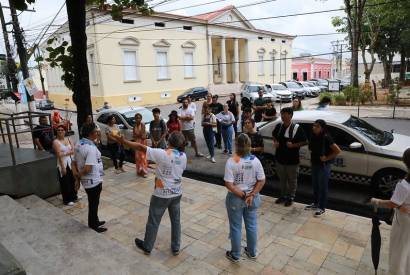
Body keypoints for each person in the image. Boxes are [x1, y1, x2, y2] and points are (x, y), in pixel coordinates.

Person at [116, 132, 187, 256]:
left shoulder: (163, 154)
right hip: (177, 193)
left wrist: (124, 142)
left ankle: (147, 246)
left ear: (169, 141)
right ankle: (176, 247)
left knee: (154, 221)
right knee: (176, 221)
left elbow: (140, 147)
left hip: (161, 194)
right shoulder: (183, 156)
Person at [224, 133, 266, 262]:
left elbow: (229, 184)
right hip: (252, 199)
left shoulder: (232, 161)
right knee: (252, 225)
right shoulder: (255, 160)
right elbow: (262, 180)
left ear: (236, 145)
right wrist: (252, 194)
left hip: (236, 199)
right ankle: (252, 252)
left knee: (236, 227)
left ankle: (235, 254)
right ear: (249, 145)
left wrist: (244, 195)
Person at [370, 148, 410, 275]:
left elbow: (393, 203)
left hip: (404, 220)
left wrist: (376, 201)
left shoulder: (404, 185)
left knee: (399, 248)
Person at [72, 123, 107, 233]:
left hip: (87, 181)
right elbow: (88, 169)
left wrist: (77, 179)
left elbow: (73, 163)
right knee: (93, 203)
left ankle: (95, 220)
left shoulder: (79, 143)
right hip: (93, 181)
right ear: (92, 133)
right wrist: (78, 177)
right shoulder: (90, 148)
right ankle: (93, 225)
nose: (98, 132)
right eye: (96, 131)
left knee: (93, 202)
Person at [272, 107, 308, 207]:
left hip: (292, 160)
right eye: (282, 114)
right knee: (282, 180)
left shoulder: (296, 128)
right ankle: (283, 196)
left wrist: (293, 145)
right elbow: (274, 135)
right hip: (280, 159)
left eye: (285, 114)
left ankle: (291, 197)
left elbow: (305, 141)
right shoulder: (279, 126)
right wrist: (275, 142)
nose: (282, 116)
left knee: (292, 180)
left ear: (290, 115)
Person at [304, 119, 341, 216]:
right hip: (314, 163)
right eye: (314, 125)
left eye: (317, 126)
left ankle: (322, 207)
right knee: (315, 185)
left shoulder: (326, 137)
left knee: (323, 187)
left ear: (322, 128)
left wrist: (326, 158)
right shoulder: (313, 135)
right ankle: (315, 203)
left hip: (324, 165)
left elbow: (337, 151)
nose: (314, 128)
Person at [53, 125, 77, 206]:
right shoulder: (56, 142)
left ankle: (74, 196)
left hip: (70, 162)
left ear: (65, 131)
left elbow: (74, 150)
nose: (60, 131)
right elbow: (59, 155)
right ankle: (67, 199)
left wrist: (65, 153)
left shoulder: (69, 139)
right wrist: (63, 167)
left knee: (72, 180)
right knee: (65, 182)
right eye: (58, 130)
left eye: (62, 130)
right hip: (62, 163)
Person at [133, 113, 148, 178]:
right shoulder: (134, 126)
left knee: (143, 157)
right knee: (137, 158)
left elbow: (142, 135)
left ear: (141, 118)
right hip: (137, 143)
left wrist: (137, 135)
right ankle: (139, 171)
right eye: (136, 118)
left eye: (139, 118)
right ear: (135, 119)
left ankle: (144, 171)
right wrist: (137, 136)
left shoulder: (142, 124)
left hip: (142, 143)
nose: (138, 119)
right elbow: (134, 135)